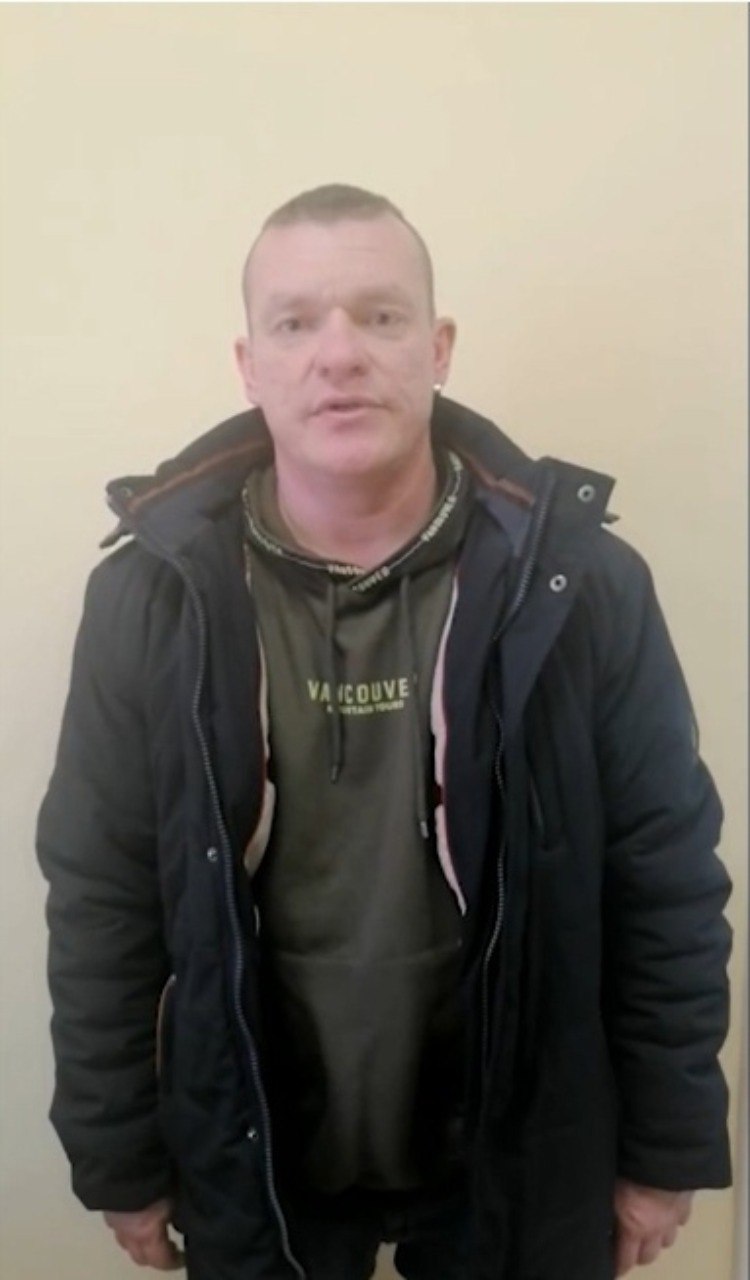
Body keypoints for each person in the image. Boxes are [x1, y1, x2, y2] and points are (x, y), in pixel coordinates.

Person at [37, 184, 732, 1280]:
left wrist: (667, 1142)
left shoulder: (579, 586)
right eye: (295, 322)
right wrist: (118, 1152)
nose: (339, 354)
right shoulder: (152, 600)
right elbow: (100, 891)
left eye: (381, 315)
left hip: (520, 1152)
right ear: (249, 364)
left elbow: (665, 874)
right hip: (256, 1150)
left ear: (438, 347)